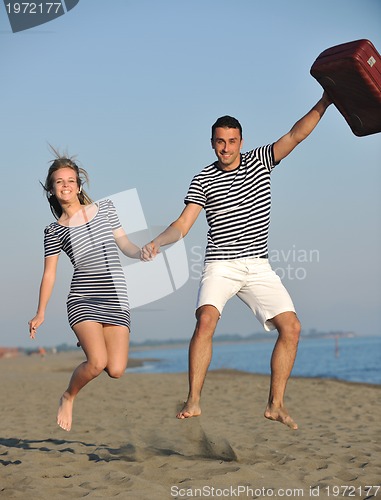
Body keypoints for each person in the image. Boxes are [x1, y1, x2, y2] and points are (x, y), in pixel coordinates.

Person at [142, 92, 332, 430]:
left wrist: (325, 100)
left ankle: (275, 405)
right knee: (206, 320)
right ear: (212, 144)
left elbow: (296, 134)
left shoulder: (260, 160)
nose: (226, 148)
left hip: (258, 265)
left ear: (241, 141)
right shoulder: (203, 178)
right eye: (220, 142)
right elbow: (183, 225)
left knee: (292, 328)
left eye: (232, 141)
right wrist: (157, 243)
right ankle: (194, 399)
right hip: (221, 264)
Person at [28, 151, 141, 432]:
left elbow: (124, 244)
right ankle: (68, 396)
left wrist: (141, 252)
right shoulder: (53, 231)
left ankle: (92, 338)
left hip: (116, 298)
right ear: (52, 191)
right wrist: (40, 312)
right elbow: (50, 273)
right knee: (97, 362)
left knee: (115, 370)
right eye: (59, 182)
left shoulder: (106, 209)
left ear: (79, 186)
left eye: (70, 181)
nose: (65, 185)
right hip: (83, 299)